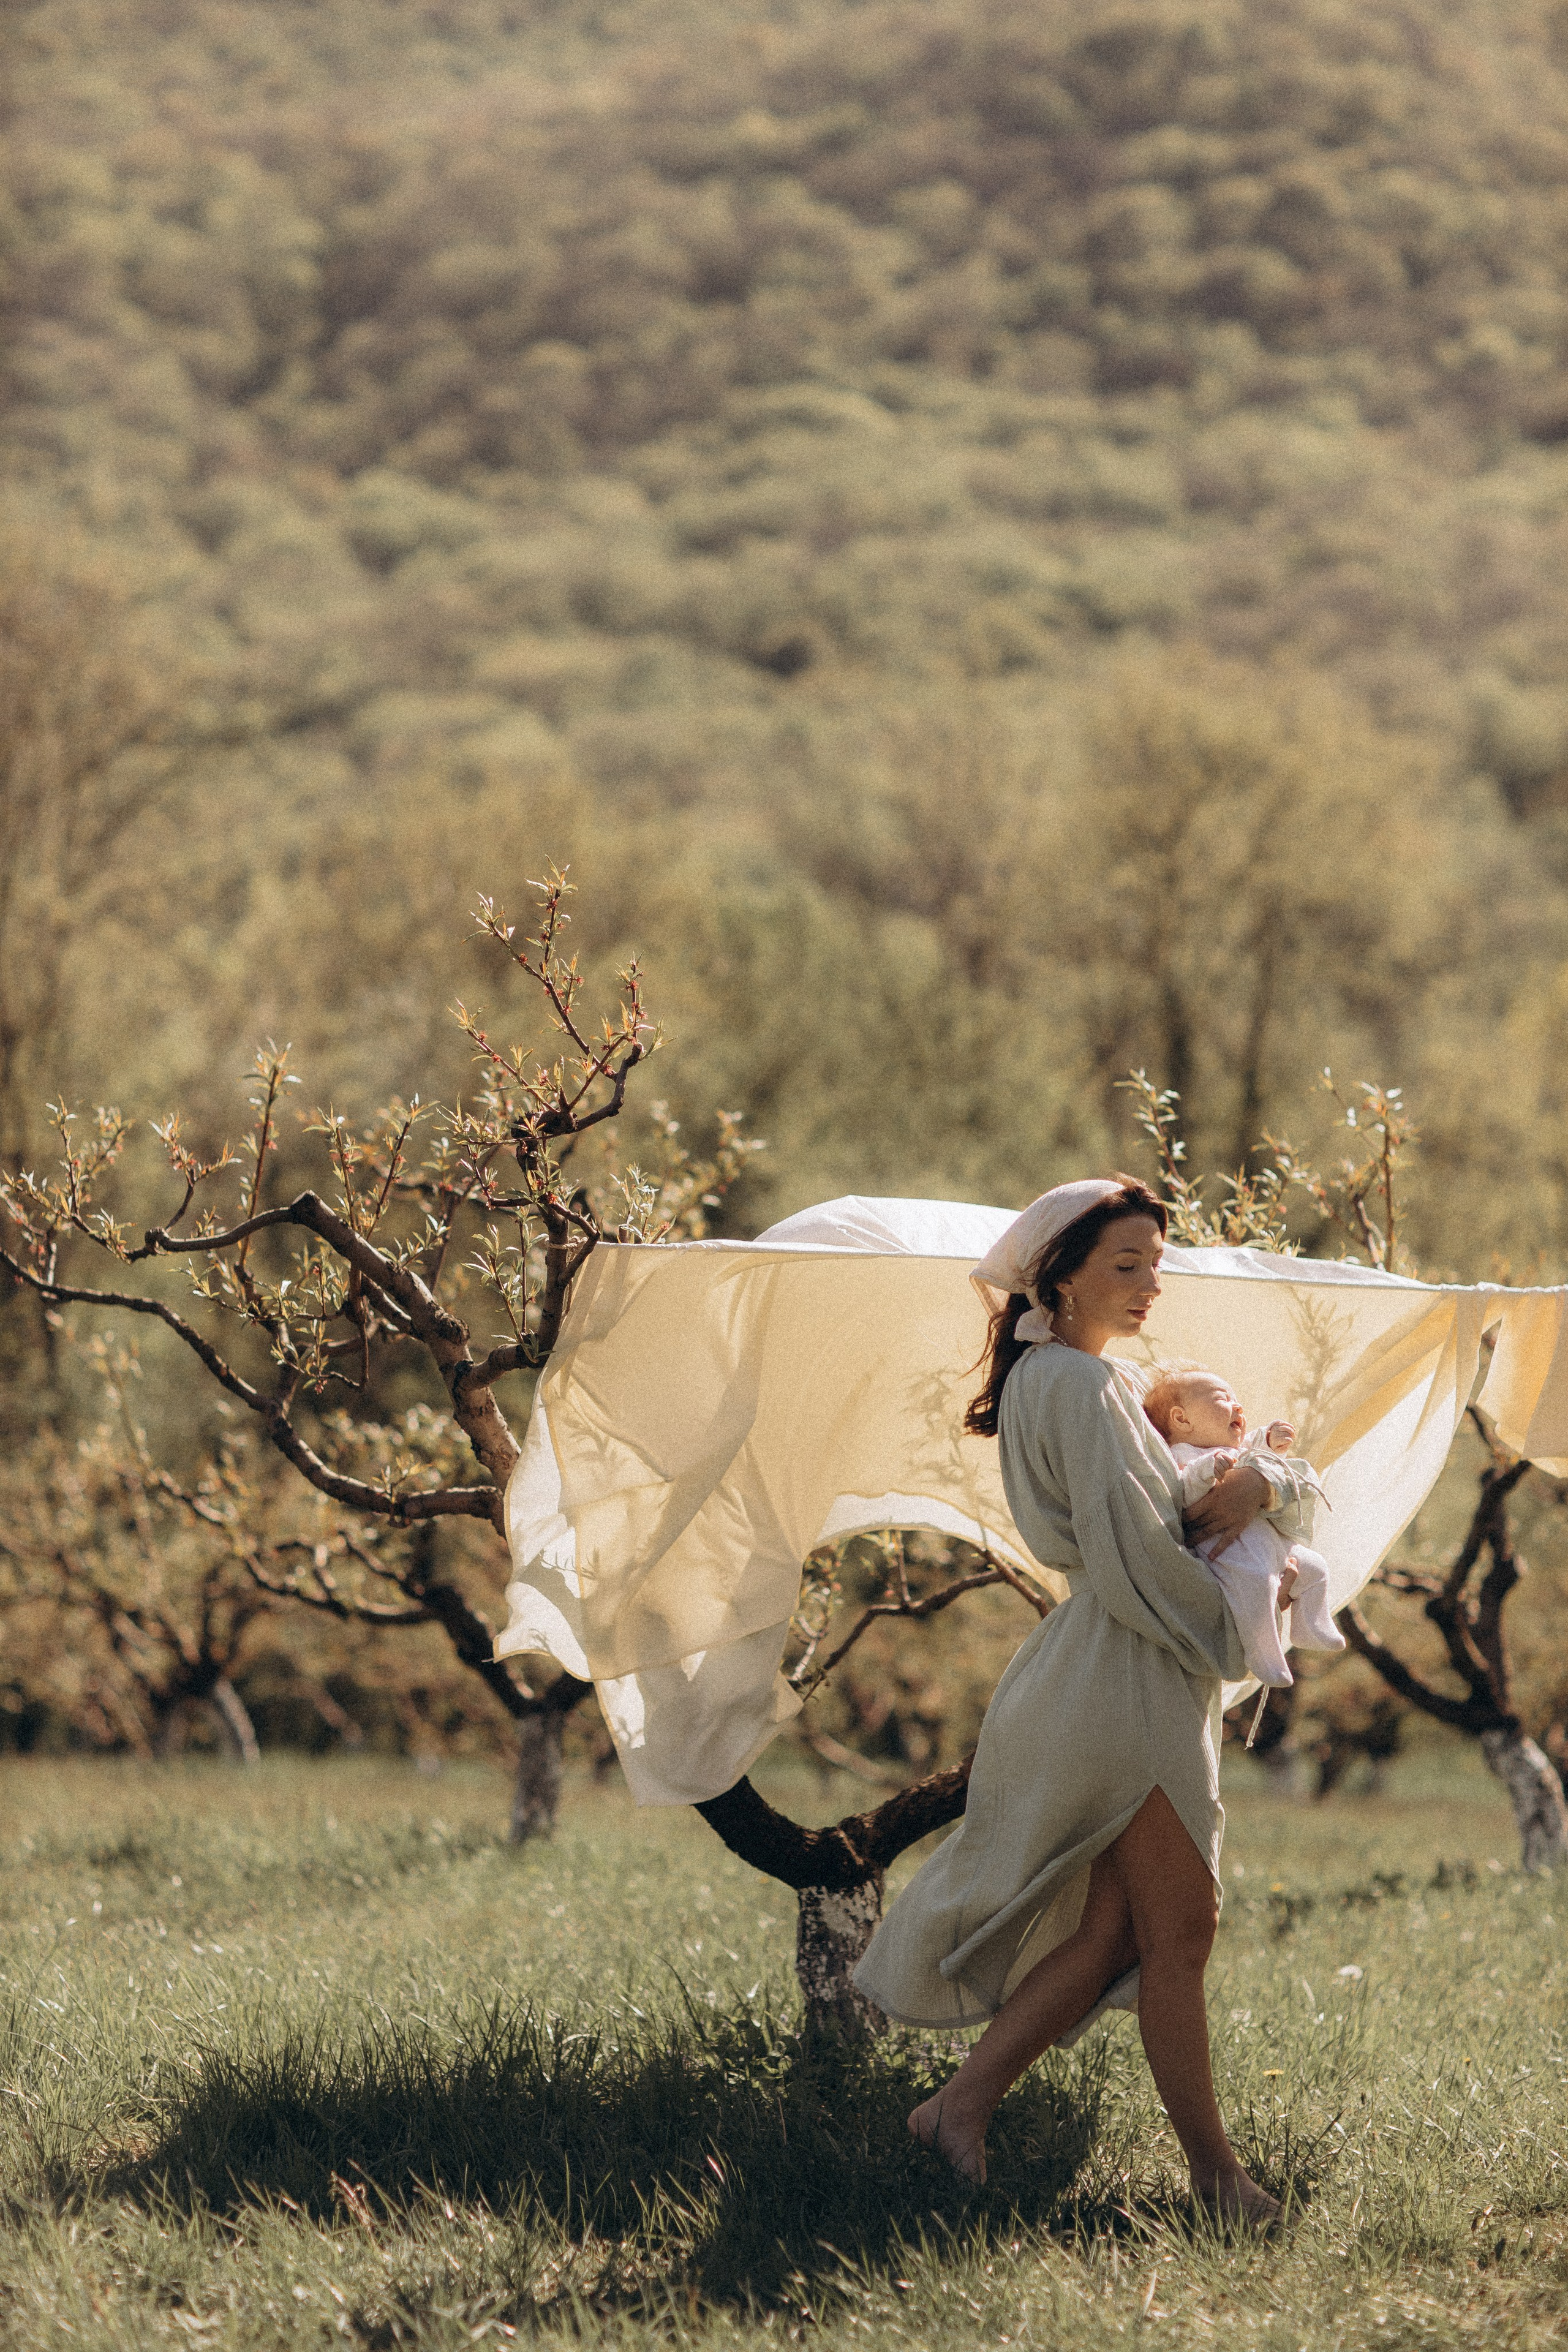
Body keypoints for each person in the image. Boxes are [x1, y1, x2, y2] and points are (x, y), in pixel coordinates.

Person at [850, 1176, 1301, 2226]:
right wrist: (1243, 1614)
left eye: (1156, 1264)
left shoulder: (1083, 1379)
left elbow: (1174, 1517)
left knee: (1117, 1933)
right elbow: (1143, 1554)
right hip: (1123, 1677)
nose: (1150, 1285)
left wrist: (1263, 1486)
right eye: (1125, 1265)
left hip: (1114, 1666)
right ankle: (1219, 2183)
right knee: (1181, 1930)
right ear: (1058, 1275)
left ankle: (956, 2109)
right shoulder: (1082, 1387)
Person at [1141, 1365, 1343, 1690]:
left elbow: (1256, 1451)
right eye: (1222, 1399)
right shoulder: (1182, 1454)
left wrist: (1270, 1439)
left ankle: (1310, 1625)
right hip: (1230, 1551)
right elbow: (1184, 1489)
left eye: (1236, 1399)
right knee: (1258, 1588)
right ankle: (1264, 1655)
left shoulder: (1235, 1450)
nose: (1238, 1406)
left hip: (1267, 1540)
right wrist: (1208, 1469)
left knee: (1315, 1567)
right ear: (1182, 1419)